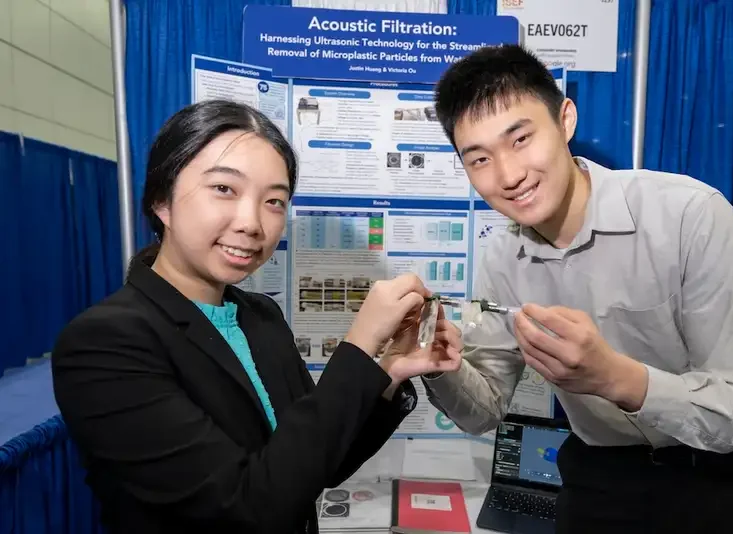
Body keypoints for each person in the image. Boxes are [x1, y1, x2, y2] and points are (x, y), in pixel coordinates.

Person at [422, 44, 733, 533]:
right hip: (599, 484)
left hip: (723, 481)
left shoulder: (690, 216)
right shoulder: (501, 257)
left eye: (520, 139)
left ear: (566, 119)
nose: (509, 176)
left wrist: (618, 378)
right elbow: (485, 407)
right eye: (479, 159)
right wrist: (438, 362)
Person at [52, 100, 464, 534]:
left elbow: (316, 465)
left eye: (274, 201)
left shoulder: (260, 315)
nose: (251, 223)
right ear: (162, 200)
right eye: (224, 189)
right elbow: (246, 510)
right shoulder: (103, 343)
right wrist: (359, 346)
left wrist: (388, 370)